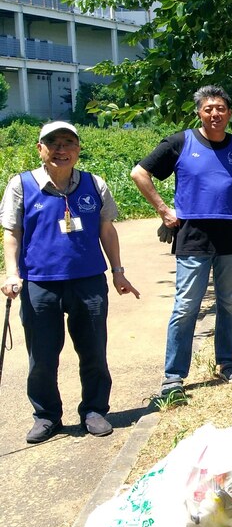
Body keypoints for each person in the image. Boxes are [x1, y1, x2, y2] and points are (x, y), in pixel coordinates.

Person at [1, 121, 140, 444]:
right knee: (43, 357)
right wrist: (11, 274)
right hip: (40, 284)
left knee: (93, 351)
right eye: (53, 143)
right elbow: (12, 234)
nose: (61, 150)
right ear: (40, 149)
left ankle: (94, 410)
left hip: (89, 282)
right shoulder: (21, 185)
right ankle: (46, 416)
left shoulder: (94, 183)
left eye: (68, 143)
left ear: (78, 149)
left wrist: (117, 271)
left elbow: (107, 229)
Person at [130, 85, 232, 398]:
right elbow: (139, 173)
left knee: (230, 304)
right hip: (193, 235)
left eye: (221, 108)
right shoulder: (181, 142)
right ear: (199, 112)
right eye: (208, 109)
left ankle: (227, 362)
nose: (215, 114)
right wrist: (164, 210)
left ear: (229, 113)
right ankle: (173, 377)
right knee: (186, 307)